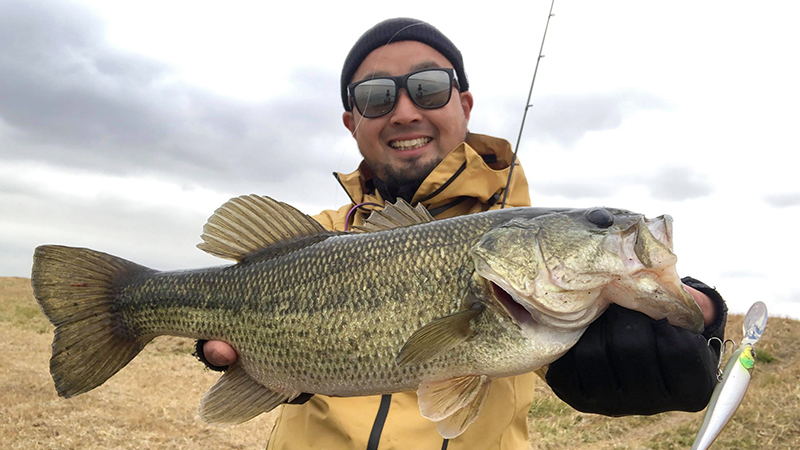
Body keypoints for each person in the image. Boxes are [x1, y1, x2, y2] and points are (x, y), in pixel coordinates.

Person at [196, 18, 727, 450]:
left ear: (464, 105)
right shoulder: (319, 236)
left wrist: (695, 325)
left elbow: (584, 326)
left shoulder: (518, 253)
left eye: (428, 89)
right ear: (351, 122)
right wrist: (243, 349)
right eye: (377, 97)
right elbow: (234, 309)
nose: (405, 112)